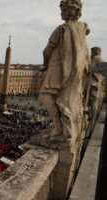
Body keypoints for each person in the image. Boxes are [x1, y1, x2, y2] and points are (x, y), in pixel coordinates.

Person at [39, 0, 90, 151]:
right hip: (73, 73)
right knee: (62, 100)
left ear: (70, 11)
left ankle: (58, 127)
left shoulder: (62, 29)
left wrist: (45, 64)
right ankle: (64, 128)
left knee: (45, 96)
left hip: (58, 69)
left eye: (62, 9)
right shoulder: (81, 31)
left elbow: (47, 50)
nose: (61, 12)